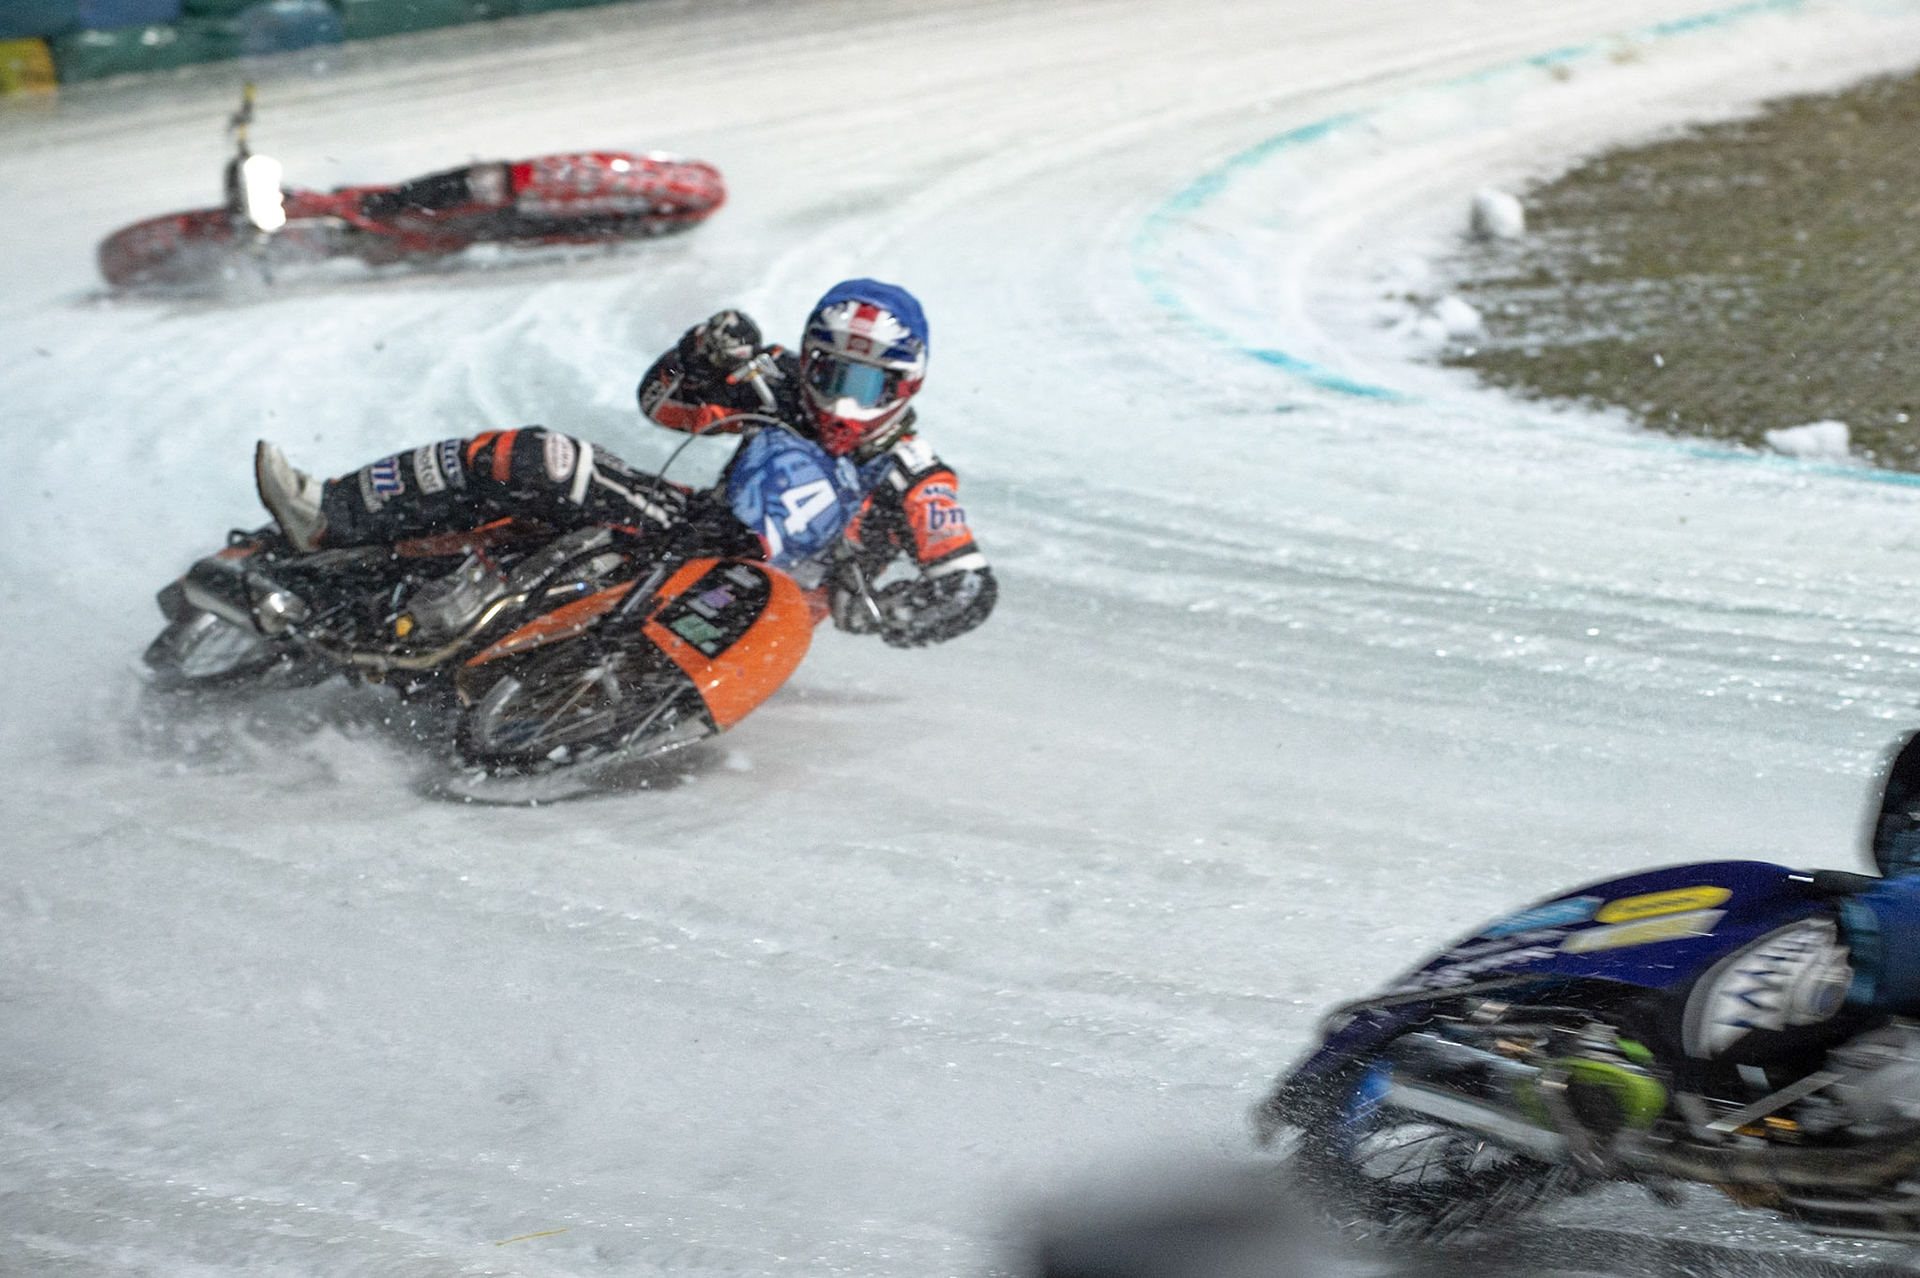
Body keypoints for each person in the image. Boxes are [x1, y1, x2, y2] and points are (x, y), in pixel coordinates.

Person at [252, 278, 994, 649]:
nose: (839, 400)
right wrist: (698, 352)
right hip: (693, 528)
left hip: (766, 608)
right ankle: (332, 514)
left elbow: (968, 584)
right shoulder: (776, 379)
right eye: (829, 373)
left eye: (866, 386)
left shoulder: (916, 473)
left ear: (905, 387)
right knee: (539, 458)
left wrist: (893, 612)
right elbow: (662, 404)